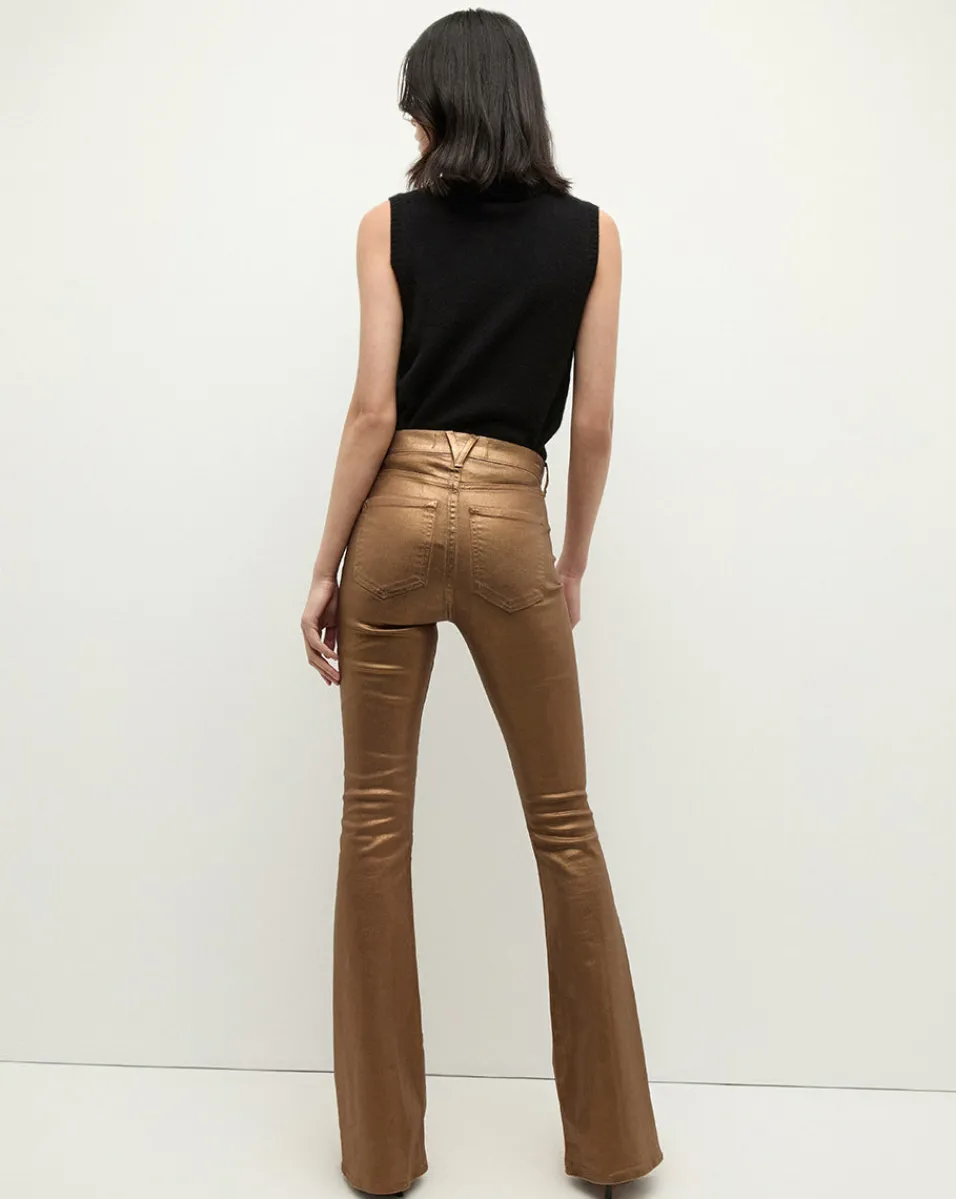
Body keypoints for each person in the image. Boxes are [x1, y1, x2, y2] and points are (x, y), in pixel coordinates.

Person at [300, 9, 663, 1197]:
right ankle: (611, 1147)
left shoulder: (386, 225)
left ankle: (378, 1156)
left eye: (415, 100)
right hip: (513, 519)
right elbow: (593, 422)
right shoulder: (592, 235)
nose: (409, 121)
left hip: (395, 520)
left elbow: (372, 408)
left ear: (442, 103)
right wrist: (570, 559)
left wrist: (324, 565)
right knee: (564, 827)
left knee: (372, 825)